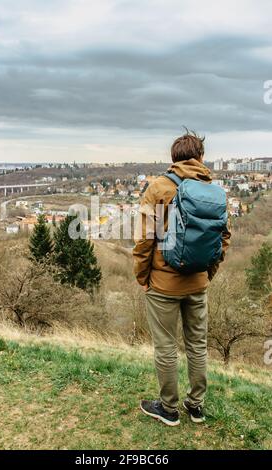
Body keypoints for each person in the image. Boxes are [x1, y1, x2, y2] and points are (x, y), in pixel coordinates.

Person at [133, 130, 231, 426]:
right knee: (197, 346)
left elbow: (144, 240)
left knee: (166, 347)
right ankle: (196, 406)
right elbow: (223, 240)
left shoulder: (158, 188)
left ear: (173, 159)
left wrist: (143, 276)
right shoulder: (214, 192)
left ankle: (169, 409)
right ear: (200, 158)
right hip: (198, 282)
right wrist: (207, 274)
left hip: (163, 284)